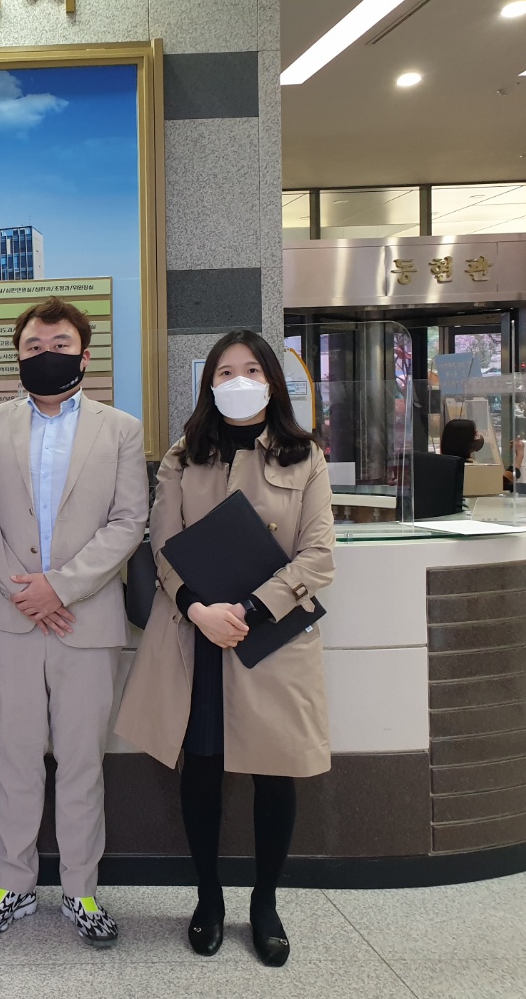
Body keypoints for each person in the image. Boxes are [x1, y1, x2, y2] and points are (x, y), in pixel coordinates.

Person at [115, 329, 335, 969]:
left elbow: (318, 554)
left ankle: (265, 903)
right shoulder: (184, 455)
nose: (239, 382)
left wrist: (251, 609)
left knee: (275, 772)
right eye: (225, 372)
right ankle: (208, 897)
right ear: (209, 384)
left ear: (272, 381)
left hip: (268, 635)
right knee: (202, 769)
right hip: (197, 635)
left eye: (252, 371)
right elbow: (162, 544)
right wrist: (198, 609)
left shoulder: (304, 455)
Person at [0, 298, 148, 947]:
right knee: (15, 757)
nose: (47, 354)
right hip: (13, 616)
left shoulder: (120, 429)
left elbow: (129, 520)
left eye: (60, 344)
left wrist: (60, 587)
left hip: (87, 619)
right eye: (34, 346)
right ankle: (12, 886)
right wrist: (25, 590)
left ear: (85, 355)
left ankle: (81, 891)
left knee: (81, 762)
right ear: (18, 355)